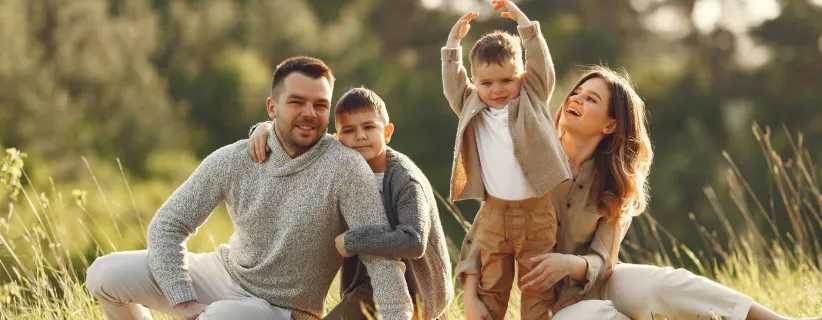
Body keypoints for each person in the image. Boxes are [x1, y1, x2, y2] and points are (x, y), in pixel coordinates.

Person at [456, 58, 818, 320]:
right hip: (552, 309)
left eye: (590, 99)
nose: (574, 100)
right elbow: (485, 232)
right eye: (576, 93)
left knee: (663, 284)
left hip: (600, 280)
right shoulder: (527, 157)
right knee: (593, 319)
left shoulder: (615, 181)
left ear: (611, 124)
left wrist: (569, 263)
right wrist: (471, 297)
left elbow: (604, 260)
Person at [85, 56, 413, 320]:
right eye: (296, 102)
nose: (309, 114)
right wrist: (183, 301)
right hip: (223, 273)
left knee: (220, 317)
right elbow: (168, 225)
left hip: (282, 309)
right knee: (104, 274)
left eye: (320, 105)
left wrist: (398, 316)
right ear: (272, 107)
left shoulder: (346, 167)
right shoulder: (236, 157)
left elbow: (379, 254)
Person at [247, 87, 454, 319]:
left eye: (369, 127)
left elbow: (414, 241)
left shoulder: (404, 180)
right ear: (337, 139)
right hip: (370, 282)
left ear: (387, 132)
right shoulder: (341, 164)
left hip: (412, 290)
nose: (360, 136)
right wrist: (263, 129)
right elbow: (297, 142)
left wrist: (353, 241)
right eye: (349, 130)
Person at [440, 0, 570, 319]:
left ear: (521, 76)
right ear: (475, 82)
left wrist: (525, 25)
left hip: (537, 213)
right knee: (491, 288)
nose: (496, 90)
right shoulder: (472, 104)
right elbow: (453, 83)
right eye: (486, 83)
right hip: (495, 215)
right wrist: (453, 44)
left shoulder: (532, 95)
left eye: (506, 80)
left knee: (537, 290)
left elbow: (540, 63)